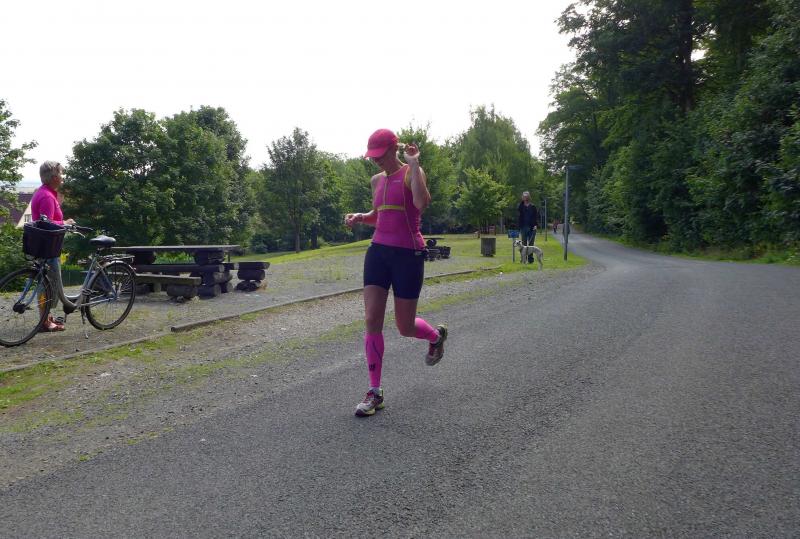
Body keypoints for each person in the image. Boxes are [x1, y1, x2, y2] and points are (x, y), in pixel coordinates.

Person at [344, 129, 448, 417]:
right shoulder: (376, 180)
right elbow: (380, 215)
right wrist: (360, 217)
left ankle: (434, 337)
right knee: (371, 319)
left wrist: (414, 164)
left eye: (379, 155)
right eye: (372, 156)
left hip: (407, 254)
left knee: (404, 326)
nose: (375, 160)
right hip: (378, 252)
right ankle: (374, 392)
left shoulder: (412, 171)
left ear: (393, 149)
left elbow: (421, 203)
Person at [30, 161, 75, 332]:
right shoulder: (47, 197)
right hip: (48, 247)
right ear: (54, 177)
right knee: (49, 285)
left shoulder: (43, 192)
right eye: (61, 174)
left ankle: (46, 317)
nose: (62, 177)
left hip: (43, 246)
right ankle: (45, 322)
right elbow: (46, 223)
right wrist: (65, 223)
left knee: (46, 284)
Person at [517, 191, 538, 262]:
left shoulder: (533, 206)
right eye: (524, 196)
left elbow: (535, 217)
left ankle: (530, 259)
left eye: (526, 196)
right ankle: (523, 259)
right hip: (523, 227)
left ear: (529, 197)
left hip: (532, 227)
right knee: (523, 244)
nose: (525, 198)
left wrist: (535, 225)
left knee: (531, 244)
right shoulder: (521, 206)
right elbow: (518, 212)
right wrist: (522, 202)